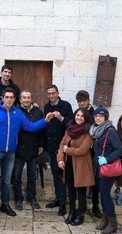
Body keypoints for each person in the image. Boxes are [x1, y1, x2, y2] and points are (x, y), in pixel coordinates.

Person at [0, 87, 53, 218]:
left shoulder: (17, 113)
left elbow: (30, 127)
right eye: (7, 97)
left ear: (14, 99)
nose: (9, 99)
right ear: (2, 98)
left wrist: (45, 120)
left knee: (6, 180)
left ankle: (5, 204)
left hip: (11, 152)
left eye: (11, 97)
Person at [57, 108, 95, 226]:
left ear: (86, 118)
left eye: (82, 116)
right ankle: (72, 212)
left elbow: (82, 150)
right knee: (71, 190)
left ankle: (80, 214)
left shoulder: (88, 131)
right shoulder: (69, 129)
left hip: (81, 166)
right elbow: (62, 144)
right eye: (77, 115)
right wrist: (60, 159)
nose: (79, 118)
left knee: (81, 191)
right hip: (68, 165)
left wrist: (67, 150)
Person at [89, 107, 122, 234]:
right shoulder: (96, 130)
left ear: (106, 117)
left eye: (101, 116)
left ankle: (113, 223)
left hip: (107, 168)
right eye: (96, 116)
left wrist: (107, 159)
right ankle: (105, 220)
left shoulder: (110, 131)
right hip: (98, 168)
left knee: (105, 195)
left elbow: (119, 150)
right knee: (102, 195)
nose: (97, 118)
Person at [12, 90, 44, 210]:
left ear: (31, 99)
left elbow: (42, 129)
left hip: (33, 148)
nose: (26, 100)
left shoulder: (38, 112)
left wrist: (41, 144)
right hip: (19, 148)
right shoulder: (16, 112)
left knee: (32, 176)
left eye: (28, 97)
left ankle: (32, 198)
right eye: (24, 98)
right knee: (16, 176)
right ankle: (18, 199)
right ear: (20, 100)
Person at [44, 84, 73, 216]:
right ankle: (58, 198)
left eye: (53, 93)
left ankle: (63, 203)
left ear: (57, 93)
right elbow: (46, 125)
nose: (51, 95)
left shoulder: (66, 105)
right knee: (55, 173)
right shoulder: (46, 106)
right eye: (49, 93)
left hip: (62, 146)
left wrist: (61, 117)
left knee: (62, 175)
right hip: (51, 146)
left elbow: (71, 123)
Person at [75, 90, 102, 218]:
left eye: (84, 101)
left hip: (94, 151)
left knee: (95, 181)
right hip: (82, 150)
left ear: (88, 100)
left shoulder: (95, 113)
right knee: (82, 178)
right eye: (79, 101)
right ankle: (83, 206)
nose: (82, 103)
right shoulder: (78, 114)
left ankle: (96, 206)